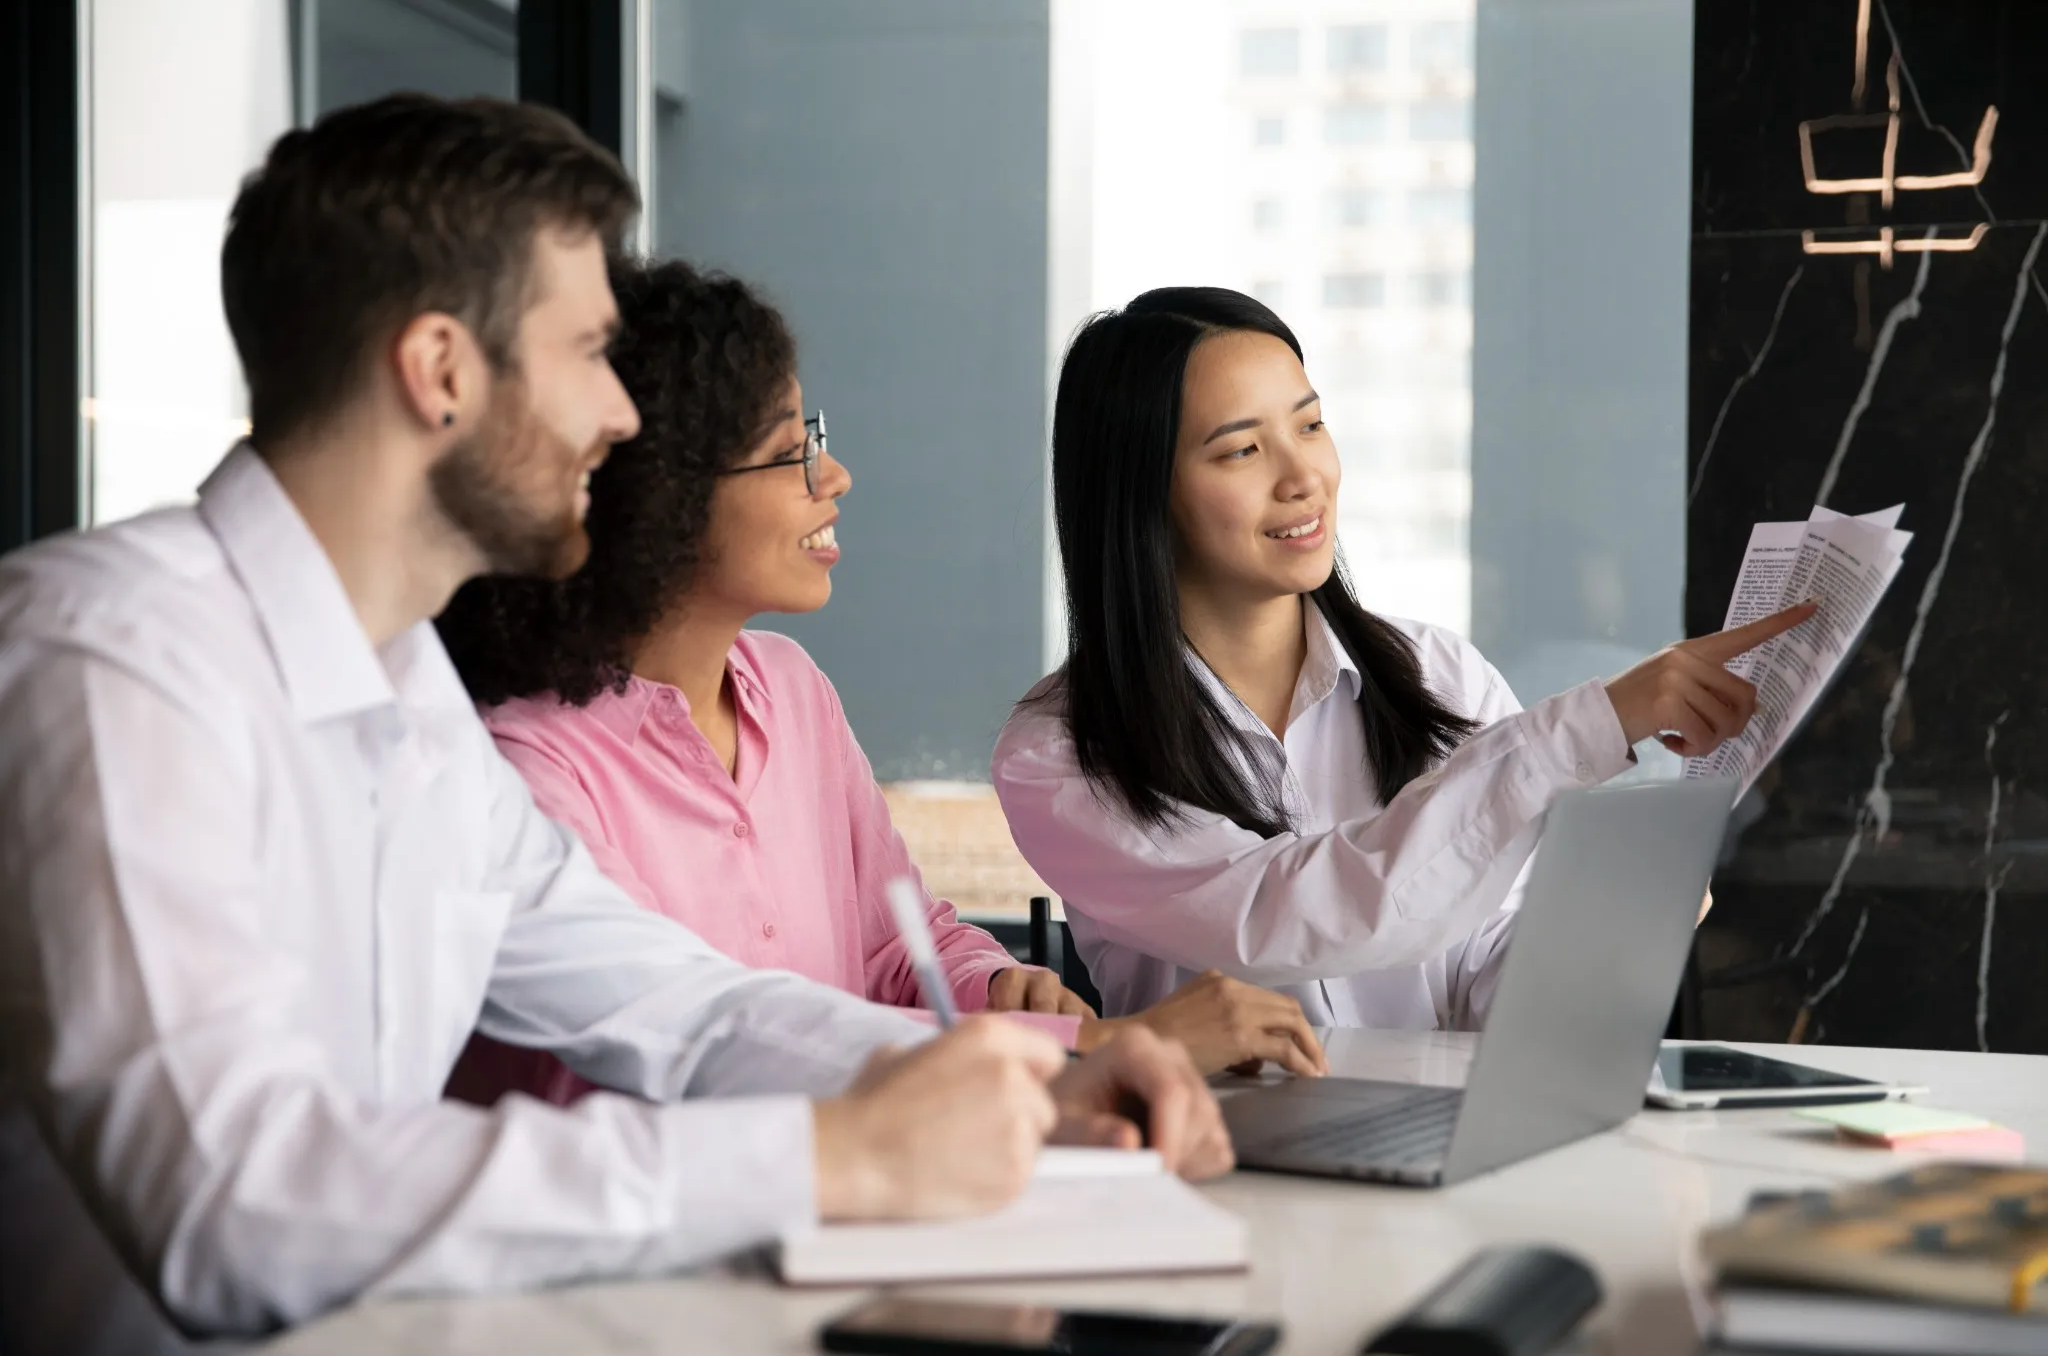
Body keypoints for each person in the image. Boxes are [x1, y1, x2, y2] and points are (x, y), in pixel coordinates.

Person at [0, 97, 1229, 1349]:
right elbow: (232, 1207)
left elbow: (681, 1007)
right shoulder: (111, 661)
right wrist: (825, 1158)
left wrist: (1023, 1078)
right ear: (438, 371)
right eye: (587, 352)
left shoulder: (405, 693)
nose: (626, 416)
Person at [432, 257, 1327, 1089]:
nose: (836, 476)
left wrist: (997, 988)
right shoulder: (528, 766)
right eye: (792, 452)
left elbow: (901, 947)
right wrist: (1099, 1045)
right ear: (657, 498)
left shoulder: (790, 689)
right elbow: (710, 1046)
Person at [991, 287, 1808, 1031]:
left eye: (1310, 424)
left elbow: (1486, 983)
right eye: (1242, 450)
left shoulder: (1436, 673)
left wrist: (1621, 919)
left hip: (1430, 1148)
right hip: (1221, 1168)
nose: (1303, 475)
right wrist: (1595, 723)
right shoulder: (1064, 751)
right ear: (1141, 493)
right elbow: (1295, 919)